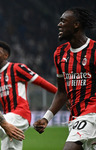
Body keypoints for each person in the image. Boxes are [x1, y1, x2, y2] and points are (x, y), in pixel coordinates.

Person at [33, 7, 96, 150]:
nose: (58, 25)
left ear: (76, 24)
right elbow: (62, 92)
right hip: (75, 116)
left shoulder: (94, 50)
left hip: (92, 113)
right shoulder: (60, 53)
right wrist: (46, 118)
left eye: (63, 21)